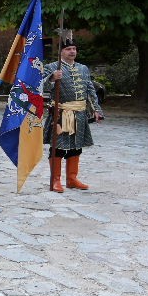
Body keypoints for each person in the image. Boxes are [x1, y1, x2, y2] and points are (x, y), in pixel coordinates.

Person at [43, 36, 103, 193]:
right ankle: (55, 180)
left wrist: (96, 110)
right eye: (68, 49)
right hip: (61, 114)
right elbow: (40, 86)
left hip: (80, 114)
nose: (72, 51)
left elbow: (90, 90)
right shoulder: (51, 67)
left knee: (76, 146)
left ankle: (72, 179)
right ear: (61, 52)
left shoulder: (83, 68)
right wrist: (52, 78)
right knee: (58, 147)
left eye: (74, 49)